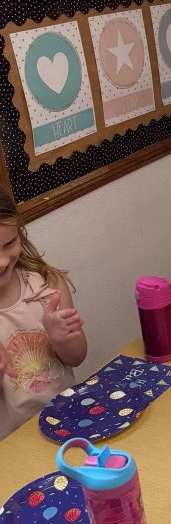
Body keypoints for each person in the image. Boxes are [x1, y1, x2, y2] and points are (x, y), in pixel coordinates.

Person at [0, 187, 87, 441]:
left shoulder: (48, 286)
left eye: (9, 243)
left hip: (70, 422)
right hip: (13, 444)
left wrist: (63, 339)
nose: (2, 261)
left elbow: (77, 357)